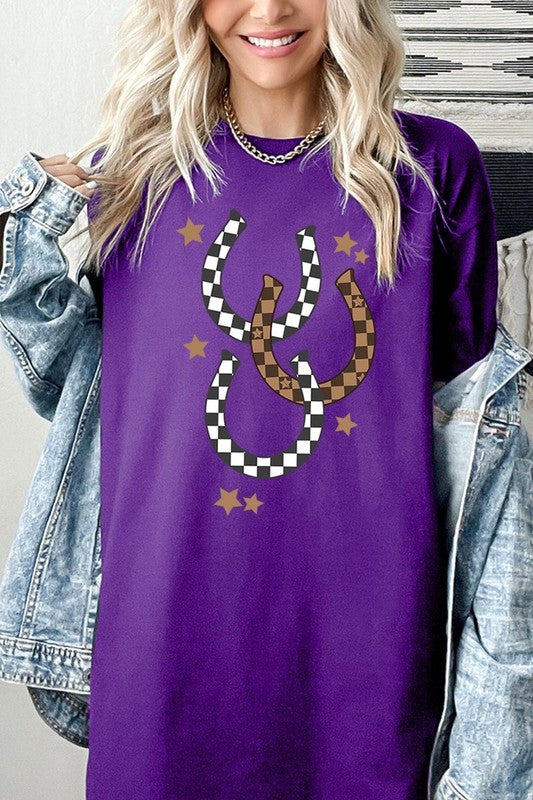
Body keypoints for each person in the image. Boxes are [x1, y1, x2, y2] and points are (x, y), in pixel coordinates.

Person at [37, 1, 499, 798]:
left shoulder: (431, 170)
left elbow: (478, 448)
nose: (270, 9)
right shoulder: (129, 178)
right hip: (164, 658)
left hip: (367, 658)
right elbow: (73, 396)